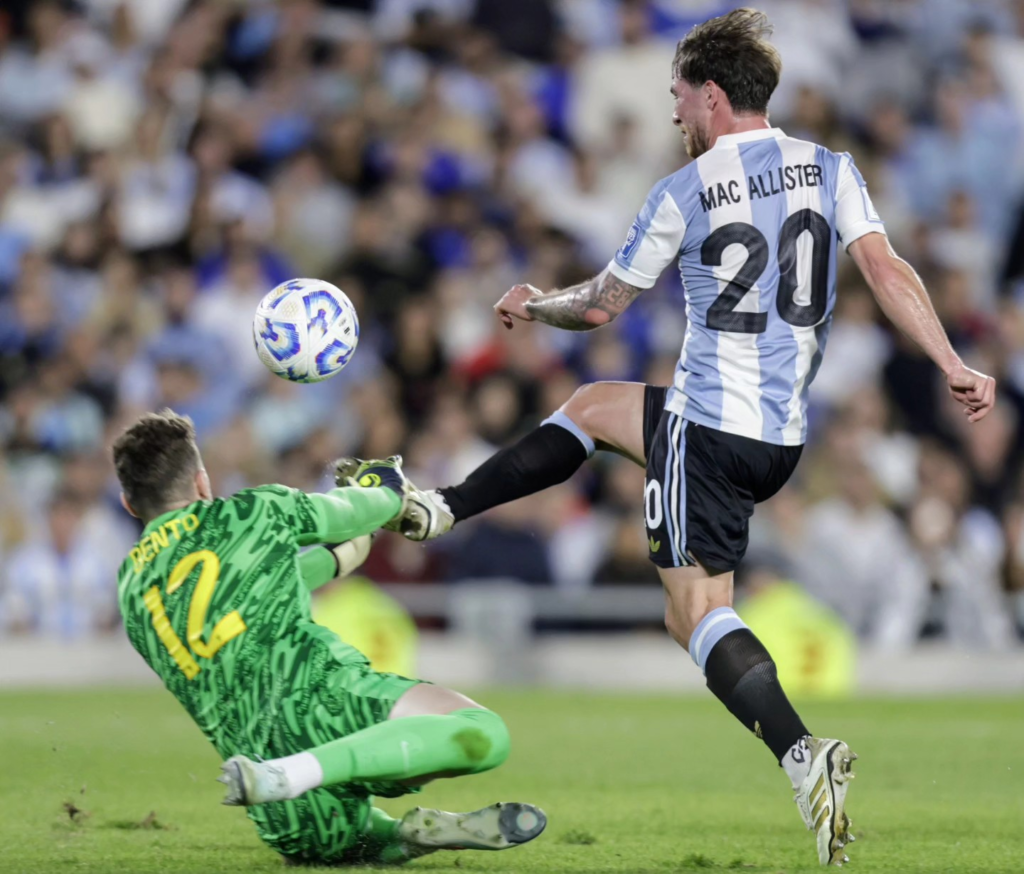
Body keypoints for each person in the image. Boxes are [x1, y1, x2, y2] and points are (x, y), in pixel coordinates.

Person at [339, 8, 997, 867]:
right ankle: (444, 507)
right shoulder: (830, 167)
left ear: (713, 96)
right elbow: (885, 268)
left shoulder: (683, 191)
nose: (674, 111)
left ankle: (803, 755)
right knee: (594, 407)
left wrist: (535, 304)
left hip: (706, 427)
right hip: (779, 437)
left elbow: (602, 306)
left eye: (680, 95)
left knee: (693, 615)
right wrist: (951, 358)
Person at [112, 411, 545, 867]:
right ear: (202, 482)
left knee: (351, 842)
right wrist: (386, 482)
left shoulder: (132, 588)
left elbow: (244, 600)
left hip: (275, 803)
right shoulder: (250, 510)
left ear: (129, 504)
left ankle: (402, 833)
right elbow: (368, 507)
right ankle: (298, 771)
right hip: (326, 704)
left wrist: (336, 561)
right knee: (483, 733)